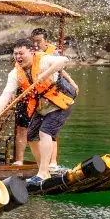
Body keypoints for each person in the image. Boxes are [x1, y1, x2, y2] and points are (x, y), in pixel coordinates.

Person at [0, 39, 71, 183]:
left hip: (60, 103)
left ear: (32, 52)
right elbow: (5, 95)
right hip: (41, 107)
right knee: (31, 136)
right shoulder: (15, 73)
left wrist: (45, 74)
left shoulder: (43, 60)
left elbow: (64, 60)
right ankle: (43, 171)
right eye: (15, 54)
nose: (18, 57)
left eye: (21, 53)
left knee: (45, 132)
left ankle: (43, 172)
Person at [31, 28, 79, 166]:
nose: (36, 45)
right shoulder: (30, 53)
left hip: (55, 91)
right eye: (33, 41)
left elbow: (61, 69)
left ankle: (52, 162)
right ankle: (43, 163)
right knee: (38, 132)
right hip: (40, 95)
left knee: (49, 131)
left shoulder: (53, 53)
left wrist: (72, 82)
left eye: (39, 41)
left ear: (46, 41)